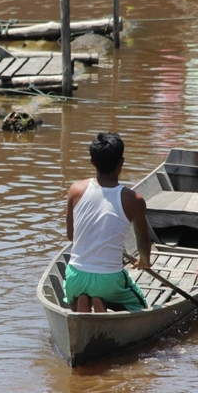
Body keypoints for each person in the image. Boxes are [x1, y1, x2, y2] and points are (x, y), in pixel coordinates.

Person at [63, 132, 152, 313]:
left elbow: (72, 236)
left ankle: (85, 300)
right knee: (140, 306)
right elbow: (143, 240)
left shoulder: (75, 189)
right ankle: (99, 299)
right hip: (108, 280)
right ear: (121, 162)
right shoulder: (134, 199)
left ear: (92, 162)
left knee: (74, 294)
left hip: (75, 276)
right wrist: (144, 261)